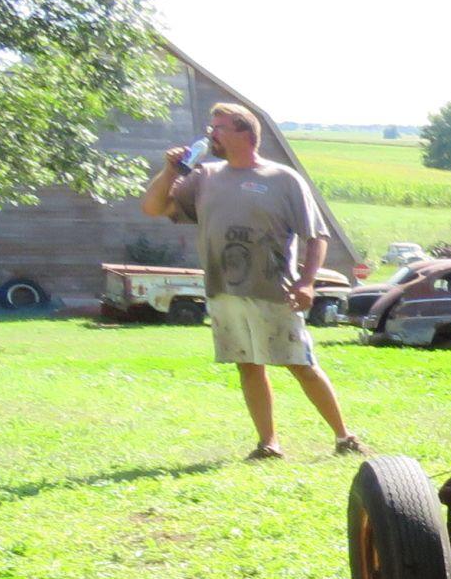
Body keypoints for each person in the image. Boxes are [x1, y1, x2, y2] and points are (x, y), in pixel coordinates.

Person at [141, 102, 364, 459]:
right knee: (248, 364)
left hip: (274, 290)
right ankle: (268, 443)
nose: (211, 134)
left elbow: (316, 235)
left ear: (245, 134)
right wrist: (170, 171)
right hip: (223, 290)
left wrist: (307, 282)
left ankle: (344, 437)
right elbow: (153, 208)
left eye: (220, 128)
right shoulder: (203, 177)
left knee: (300, 364)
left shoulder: (283, 180)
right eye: (211, 127)